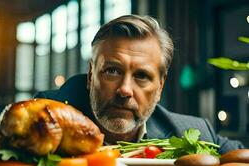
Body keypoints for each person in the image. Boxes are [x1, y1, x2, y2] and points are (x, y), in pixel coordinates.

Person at [34, 15, 244, 154]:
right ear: (91, 76)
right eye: (112, 71)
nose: (125, 89)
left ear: (160, 87)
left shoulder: (193, 132)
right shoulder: (44, 118)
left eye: (142, 75)